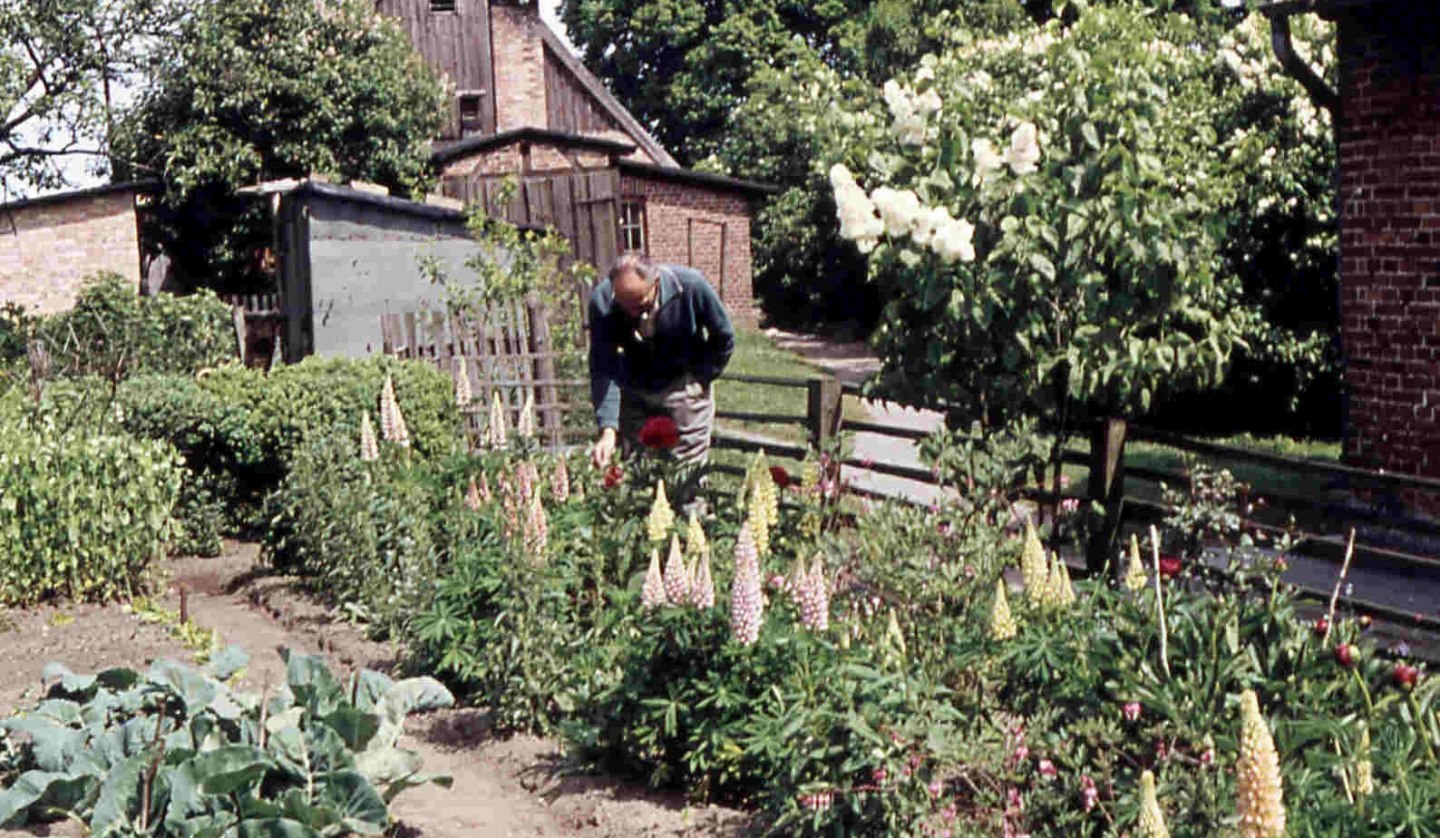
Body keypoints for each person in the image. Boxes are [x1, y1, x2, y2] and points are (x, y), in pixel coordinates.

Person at [588, 252, 735, 471]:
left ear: (655, 283)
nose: (631, 312)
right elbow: (603, 365)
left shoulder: (690, 286)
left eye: (639, 304)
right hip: (634, 393)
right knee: (639, 475)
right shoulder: (602, 301)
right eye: (624, 305)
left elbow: (723, 336)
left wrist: (700, 378)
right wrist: (608, 429)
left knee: (686, 477)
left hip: (684, 393)